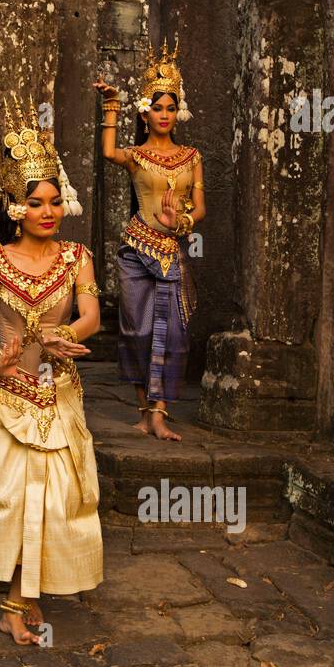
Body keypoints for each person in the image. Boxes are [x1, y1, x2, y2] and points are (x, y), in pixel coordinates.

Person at [0, 95, 103, 645]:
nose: (48, 212)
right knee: (14, 499)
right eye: (36, 203)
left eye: (55, 202)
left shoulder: (76, 256)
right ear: (15, 207)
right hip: (6, 392)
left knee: (57, 498)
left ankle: (23, 601)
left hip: (57, 390)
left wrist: (66, 335)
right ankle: (16, 603)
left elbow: (92, 317)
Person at [94, 37, 206, 441]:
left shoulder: (191, 157)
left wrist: (181, 221)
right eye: (157, 107)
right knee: (137, 330)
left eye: (171, 107)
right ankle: (144, 412)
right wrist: (111, 103)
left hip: (170, 251)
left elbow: (201, 209)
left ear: (179, 112)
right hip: (135, 250)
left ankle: (160, 415)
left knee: (171, 331)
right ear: (146, 112)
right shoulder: (137, 156)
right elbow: (108, 152)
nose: (164, 114)